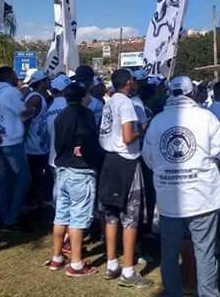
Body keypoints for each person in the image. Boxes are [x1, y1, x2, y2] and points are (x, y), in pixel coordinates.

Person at [142, 75, 220, 297]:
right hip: (203, 197)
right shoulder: (206, 117)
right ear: (192, 93)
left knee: (169, 253)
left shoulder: (157, 121)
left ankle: (173, 292)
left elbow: (149, 158)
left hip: (170, 200)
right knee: (205, 253)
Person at [98, 69, 152, 288]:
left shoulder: (109, 102)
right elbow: (129, 137)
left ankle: (112, 263)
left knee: (111, 214)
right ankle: (128, 271)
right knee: (130, 217)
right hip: (127, 162)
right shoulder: (126, 103)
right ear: (129, 82)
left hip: (109, 160)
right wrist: (143, 128)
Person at [46, 81, 104, 276]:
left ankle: (56, 257)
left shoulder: (60, 116)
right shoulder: (84, 114)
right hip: (80, 169)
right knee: (78, 217)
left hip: (62, 167)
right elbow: (90, 140)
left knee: (61, 214)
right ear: (82, 96)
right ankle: (76, 263)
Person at [0, 66, 31, 229]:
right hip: (12, 141)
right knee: (24, 178)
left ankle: (3, 215)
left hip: (0, 139)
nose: (17, 78)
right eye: (14, 74)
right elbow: (23, 112)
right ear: (8, 76)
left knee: (6, 180)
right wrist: (32, 110)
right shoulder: (10, 92)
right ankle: (12, 217)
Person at [23, 70, 51, 209]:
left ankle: (34, 201)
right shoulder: (35, 98)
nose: (49, 82)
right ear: (41, 83)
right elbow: (25, 119)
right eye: (46, 80)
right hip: (33, 146)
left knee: (38, 175)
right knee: (34, 175)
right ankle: (30, 203)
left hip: (39, 143)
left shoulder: (40, 96)